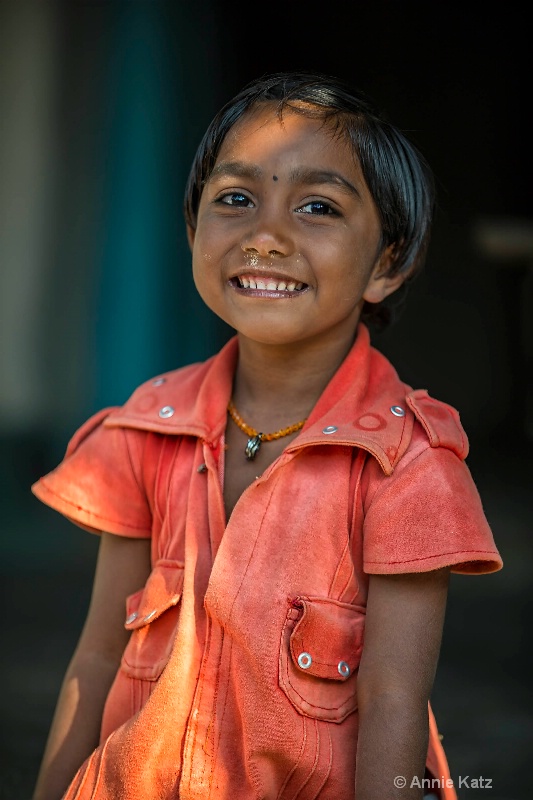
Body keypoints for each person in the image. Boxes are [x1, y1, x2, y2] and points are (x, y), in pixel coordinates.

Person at [31, 71, 502, 800]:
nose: (265, 236)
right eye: (235, 199)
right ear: (192, 232)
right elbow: (96, 660)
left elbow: (391, 703)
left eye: (317, 206)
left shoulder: (408, 467)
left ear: (387, 264)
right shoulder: (144, 427)